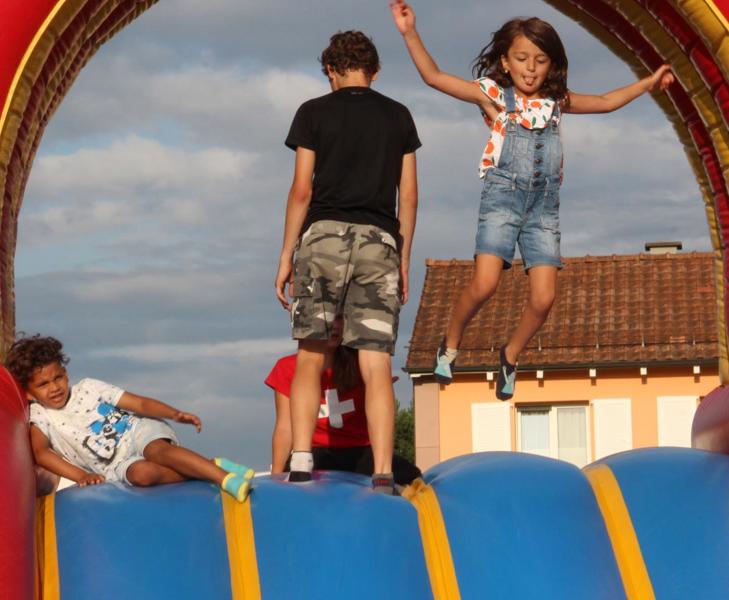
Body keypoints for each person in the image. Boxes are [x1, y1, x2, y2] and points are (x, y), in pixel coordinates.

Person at [390, 1, 673, 400]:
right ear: (505, 61)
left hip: (543, 209)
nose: (530, 68)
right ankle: (450, 343)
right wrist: (409, 32)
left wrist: (648, 83)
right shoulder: (494, 96)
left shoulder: (558, 103)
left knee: (544, 299)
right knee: (485, 283)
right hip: (502, 199)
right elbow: (435, 77)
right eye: (521, 58)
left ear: (551, 64)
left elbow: (607, 102)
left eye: (540, 60)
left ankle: (510, 355)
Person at [274, 29, 420, 493]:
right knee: (376, 362)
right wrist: (403, 258)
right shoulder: (398, 116)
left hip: (323, 238)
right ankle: (381, 472)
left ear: (330, 71)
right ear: (374, 72)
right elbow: (409, 197)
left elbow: (302, 190)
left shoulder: (313, 112)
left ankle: (300, 463)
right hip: (380, 240)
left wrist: (285, 256)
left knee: (311, 354)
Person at [6, 335, 253, 502]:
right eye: (43, 384)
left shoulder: (89, 388)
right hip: (112, 465)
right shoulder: (41, 416)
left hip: (135, 432)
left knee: (158, 451)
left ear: (66, 373)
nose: (54, 388)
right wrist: (80, 476)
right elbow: (41, 452)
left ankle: (224, 480)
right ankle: (210, 465)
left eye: (57, 378)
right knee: (143, 475)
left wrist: (174, 414)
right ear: (29, 392)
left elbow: (139, 403)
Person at [266, 319, 422, 486]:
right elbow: (284, 427)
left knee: (411, 475)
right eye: (330, 318)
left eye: (340, 319)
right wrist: (276, 476)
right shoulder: (287, 367)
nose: (335, 326)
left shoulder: (364, 365)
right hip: (317, 452)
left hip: (360, 451)